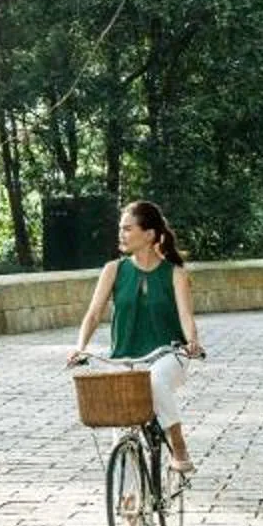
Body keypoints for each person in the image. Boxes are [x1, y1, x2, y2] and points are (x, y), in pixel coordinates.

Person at [64, 198, 207, 477]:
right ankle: (130, 507)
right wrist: (80, 348)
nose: (121, 234)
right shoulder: (114, 270)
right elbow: (93, 315)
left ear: (150, 234)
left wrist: (192, 341)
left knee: (153, 380)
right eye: (121, 228)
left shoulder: (175, 273)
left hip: (168, 354)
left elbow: (186, 317)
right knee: (122, 432)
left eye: (128, 228)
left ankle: (178, 446)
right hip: (124, 358)